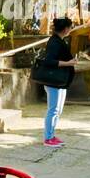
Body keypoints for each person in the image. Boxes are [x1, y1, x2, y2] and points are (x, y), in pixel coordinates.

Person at [38, 17, 79, 147]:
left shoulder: (60, 40)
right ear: (66, 29)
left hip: (61, 81)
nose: (71, 29)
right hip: (53, 81)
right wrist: (68, 63)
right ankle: (48, 138)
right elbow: (49, 61)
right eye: (70, 27)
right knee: (53, 110)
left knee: (58, 110)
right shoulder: (54, 42)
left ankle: (51, 135)